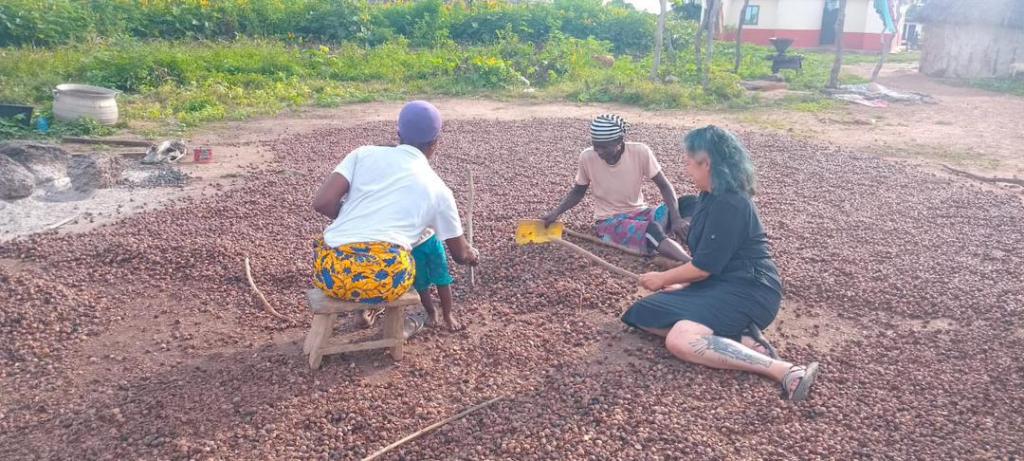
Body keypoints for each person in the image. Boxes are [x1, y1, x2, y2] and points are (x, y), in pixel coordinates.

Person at [621, 125, 819, 401]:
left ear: (707, 164)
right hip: (718, 282)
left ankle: (784, 370)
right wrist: (683, 285)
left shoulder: (731, 203)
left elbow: (703, 268)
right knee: (641, 314)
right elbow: (710, 261)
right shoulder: (708, 196)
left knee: (680, 339)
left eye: (689, 163)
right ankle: (741, 339)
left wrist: (663, 278)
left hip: (749, 290)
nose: (686, 169)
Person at [311, 100, 479, 337]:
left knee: (363, 262)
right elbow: (460, 255)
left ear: (399, 133)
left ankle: (367, 307)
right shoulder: (439, 189)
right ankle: (406, 320)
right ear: (436, 143)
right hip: (387, 278)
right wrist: (472, 254)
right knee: (404, 259)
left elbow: (322, 203)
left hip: (331, 273)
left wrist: (356, 219)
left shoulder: (363, 154)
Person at [542, 114, 691, 262]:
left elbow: (664, 186)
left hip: (642, 213)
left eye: (604, 147)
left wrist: (677, 219)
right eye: (595, 146)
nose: (598, 151)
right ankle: (690, 263)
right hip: (610, 222)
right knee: (651, 230)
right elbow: (578, 192)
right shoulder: (587, 157)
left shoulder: (640, 152)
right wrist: (556, 213)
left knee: (689, 202)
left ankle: (684, 240)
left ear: (619, 141)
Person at [410, 228, 461, 331]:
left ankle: (447, 315)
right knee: (420, 284)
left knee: (442, 279)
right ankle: (431, 312)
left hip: (431, 239)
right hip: (411, 246)